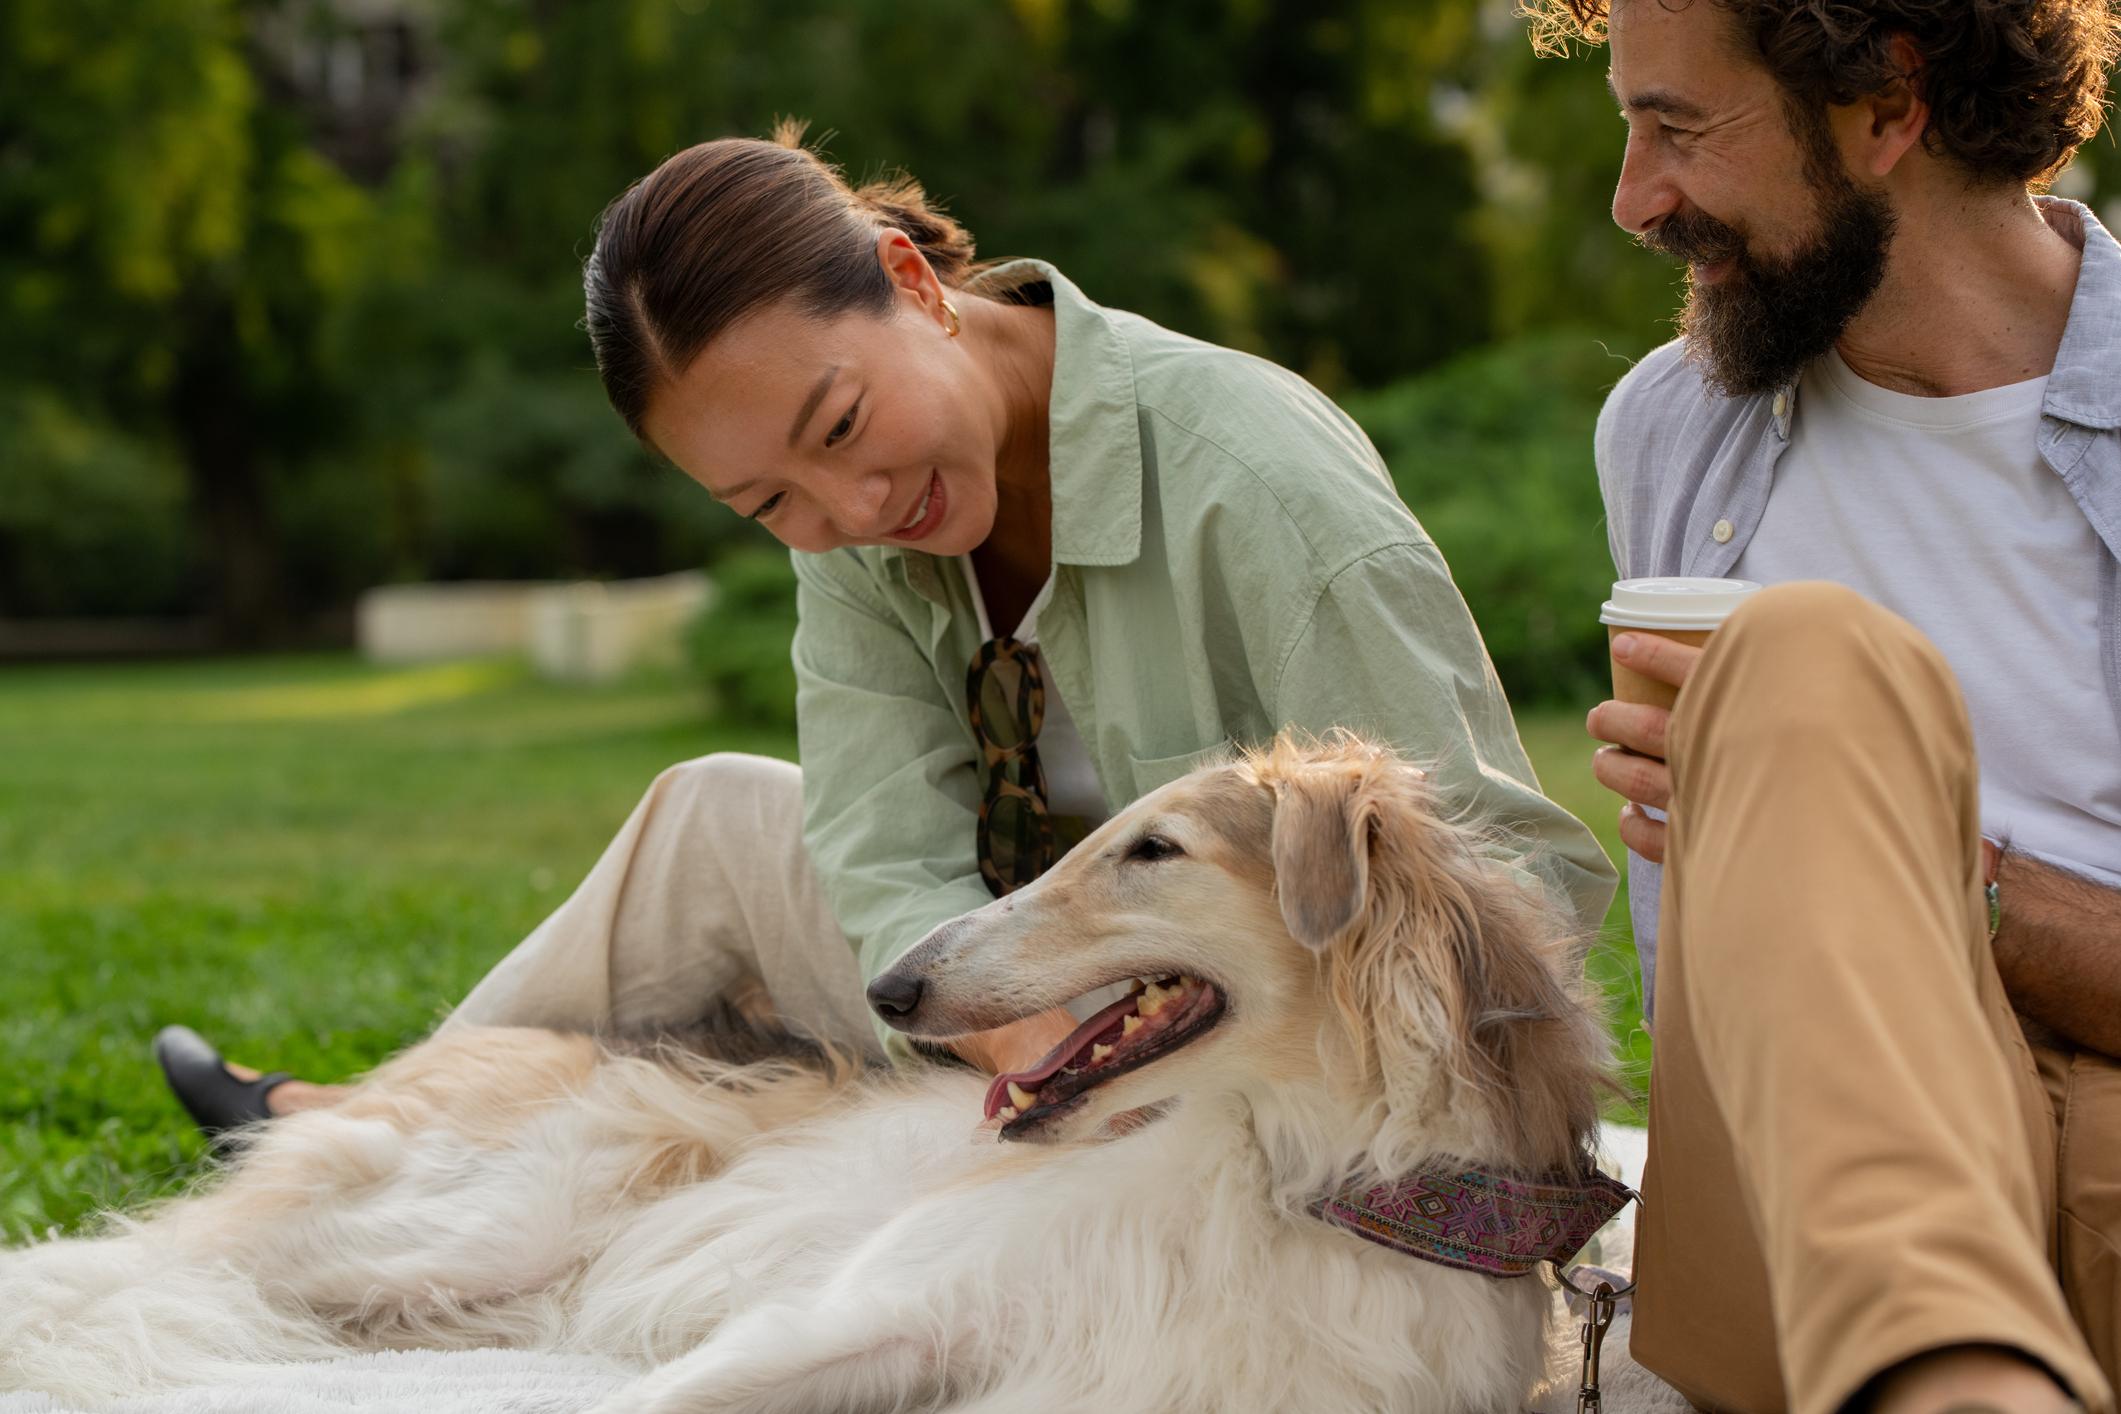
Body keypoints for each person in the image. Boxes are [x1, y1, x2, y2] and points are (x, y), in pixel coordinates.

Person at [158, 126, 1613, 1127]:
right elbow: (877, 843)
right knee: (711, 817)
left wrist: (1176, 1050)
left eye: (842, 424)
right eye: (765, 501)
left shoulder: (1260, 484)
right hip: (1016, 991)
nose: (846, 510)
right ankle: (363, 1128)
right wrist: (1023, 1038)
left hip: (1245, 1047)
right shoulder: (853, 520)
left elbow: (1503, 889)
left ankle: (389, 1136)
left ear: (915, 287)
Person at [1522, 0, 2121, 1410]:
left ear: (1881, 109)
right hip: (1778, 1182)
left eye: (1675, 127)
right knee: (1796, 660)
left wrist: (1929, 873)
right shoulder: (1671, 428)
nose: (1632, 198)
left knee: (1794, 662)